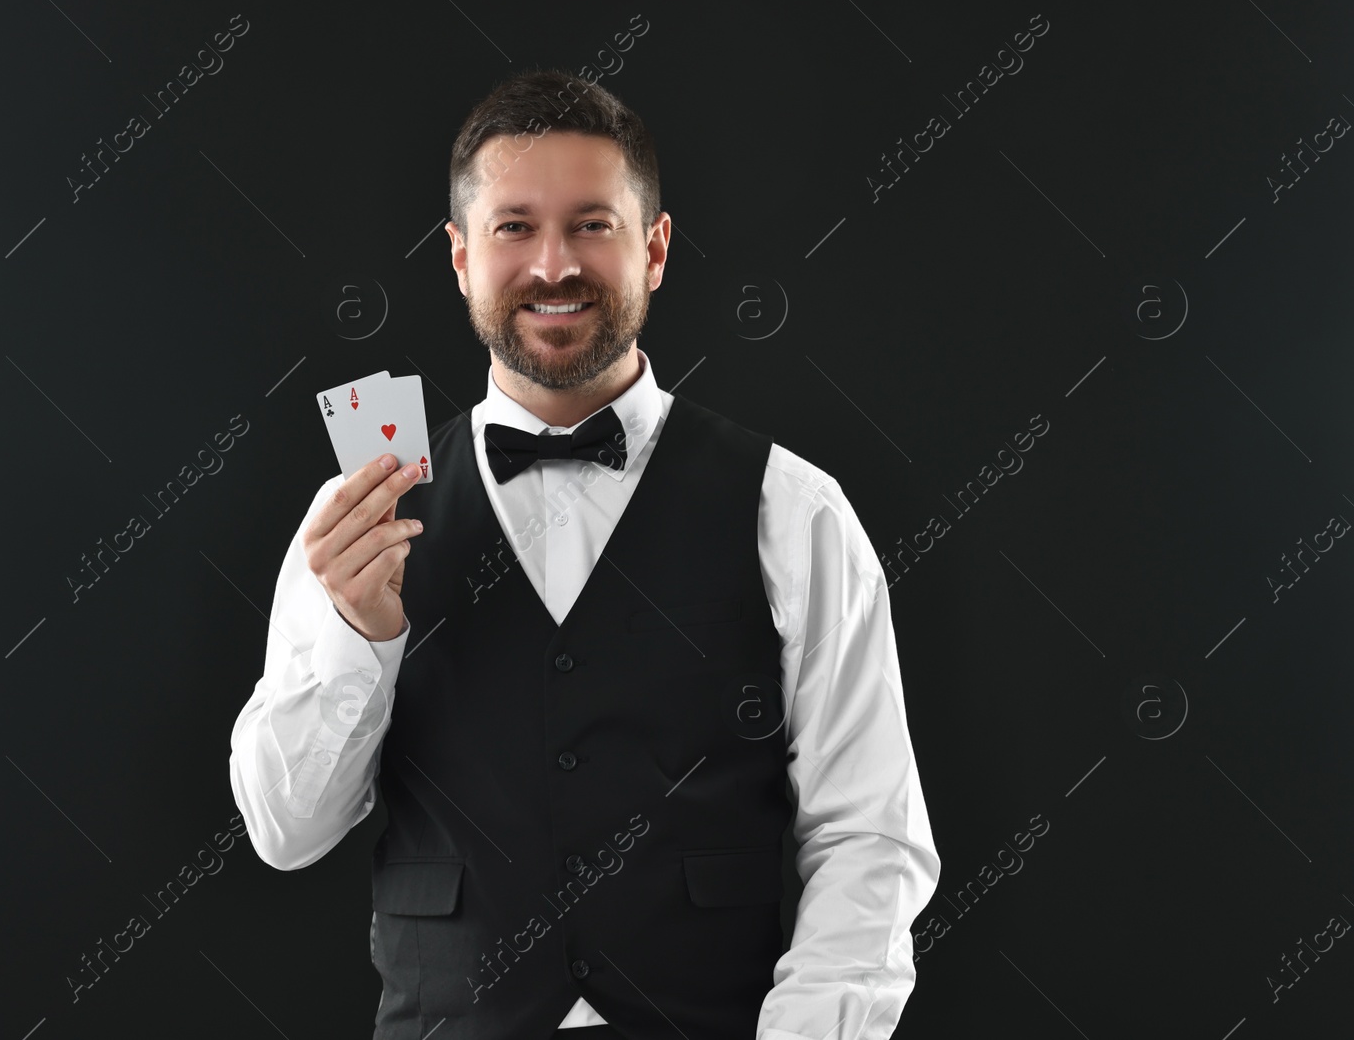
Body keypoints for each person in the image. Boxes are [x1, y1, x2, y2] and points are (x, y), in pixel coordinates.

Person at [229, 68, 940, 1040]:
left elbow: (869, 833)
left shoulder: (793, 507)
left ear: (653, 249)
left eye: (592, 224)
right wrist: (362, 634)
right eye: (514, 226)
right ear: (459, 257)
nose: (552, 265)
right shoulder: (355, 511)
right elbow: (286, 831)